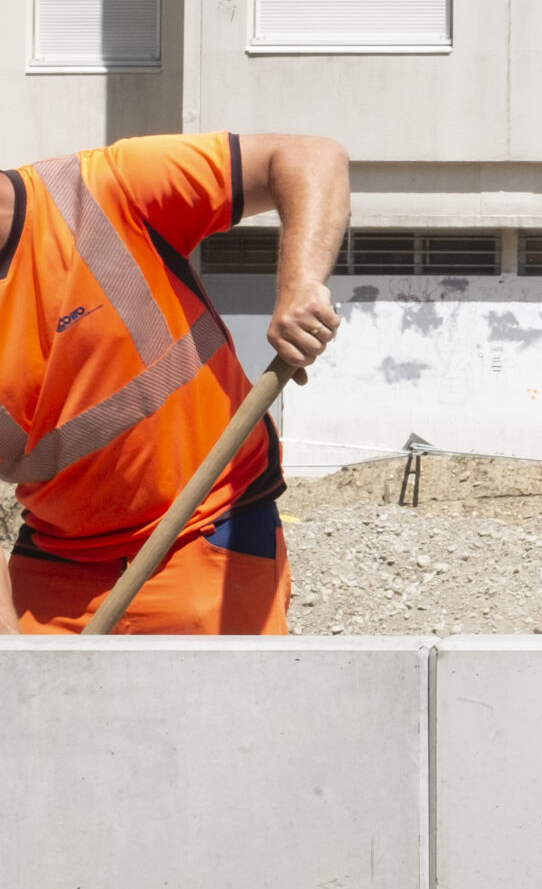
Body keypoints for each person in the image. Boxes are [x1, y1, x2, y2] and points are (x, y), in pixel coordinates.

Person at [1, 132, 350, 634]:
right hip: (57, 558)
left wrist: (300, 286)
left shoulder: (102, 189)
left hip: (203, 531)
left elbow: (311, 156)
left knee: (215, 711)